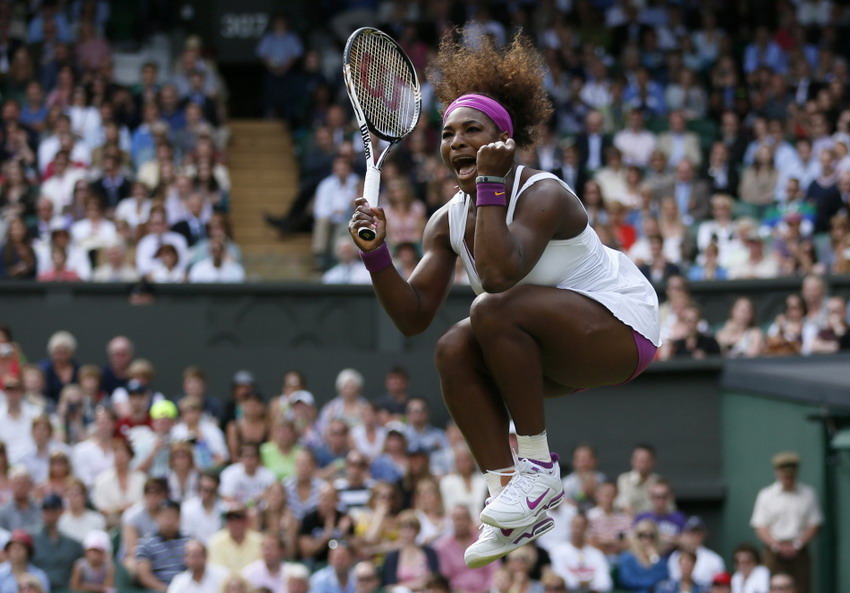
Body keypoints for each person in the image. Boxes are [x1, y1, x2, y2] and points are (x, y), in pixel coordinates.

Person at [348, 31, 659, 568]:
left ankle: (537, 471)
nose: (458, 142)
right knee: (452, 348)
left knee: (489, 309)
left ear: (504, 139)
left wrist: (491, 186)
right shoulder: (445, 221)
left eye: (473, 130)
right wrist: (376, 255)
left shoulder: (544, 194)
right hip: (557, 353)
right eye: (448, 134)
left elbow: (497, 275)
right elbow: (413, 316)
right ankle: (509, 494)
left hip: (621, 330)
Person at [750, 453, 821, 593]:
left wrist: (797, 544)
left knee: (801, 587)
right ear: (777, 473)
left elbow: (814, 524)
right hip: (773, 550)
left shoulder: (808, 494)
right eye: (784, 476)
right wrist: (776, 545)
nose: (787, 480)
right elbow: (760, 525)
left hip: (799, 550)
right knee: (770, 584)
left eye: (790, 476)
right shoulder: (766, 495)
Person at [435, 505, 499, 586]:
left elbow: (494, 569)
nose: (459, 523)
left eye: (462, 518)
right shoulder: (443, 547)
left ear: (469, 520)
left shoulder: (484, 541)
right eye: (456, 519)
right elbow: (446, 577)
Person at [32, 492, 83, 590]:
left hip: (65, 589)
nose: (49, 514)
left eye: (53, 510)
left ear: (60, 511)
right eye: (46, 510)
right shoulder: (33, 538)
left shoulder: (72, 543)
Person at [550, 513, 613, 593]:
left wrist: (588, 586)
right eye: (575, 526)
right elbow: (561, 579)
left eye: (581, 526)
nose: (577, 530)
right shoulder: (558, 551)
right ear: (570, 526)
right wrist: (583, 584)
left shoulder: (596, 554)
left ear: (586, 529)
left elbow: (605, 582)